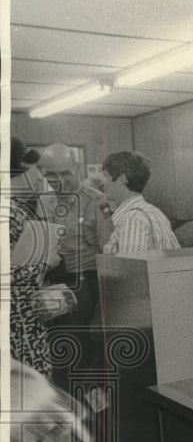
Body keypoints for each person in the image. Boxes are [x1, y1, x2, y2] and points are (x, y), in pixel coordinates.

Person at [38, 144, 111, 388]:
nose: (58, 180)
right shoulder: (44, 201)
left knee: (78, 352)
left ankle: (82, 403)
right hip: (50, 284)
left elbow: (107, 253)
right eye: (51, 174)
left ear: (77, 168)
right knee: (54, 350)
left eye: (65, 173)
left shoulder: (97, 202)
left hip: (83, 285)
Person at [8, 137, 61, 376]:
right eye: (35, 169)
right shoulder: (9, 213)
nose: (40, 177)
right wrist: (44, 264)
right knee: (30, 387)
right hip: (18, 326)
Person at [101, 151, 180, 254]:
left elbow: (129, 263)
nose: (102, 182)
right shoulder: (155, 212)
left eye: (106, 176)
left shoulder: (132, 219)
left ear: (122, 179)